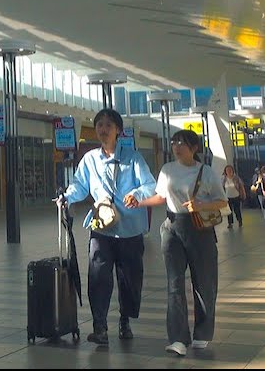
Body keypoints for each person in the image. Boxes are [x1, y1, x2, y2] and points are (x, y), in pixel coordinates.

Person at [57, 108, 155, 345]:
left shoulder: (133, 158)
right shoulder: (90, 159)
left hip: (130, 229)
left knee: (130, 279)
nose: (103, 129)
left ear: (118, 130)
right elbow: (79, 186)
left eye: (108, 125)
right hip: (101, 228)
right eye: (99, 125)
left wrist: (137, 193)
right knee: (98, 276)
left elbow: (150, 184)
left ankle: (125, 320)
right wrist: (66, 198)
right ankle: (99, 325)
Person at [128, 129, 226, 357]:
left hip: (200, 230)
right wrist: (140, 202)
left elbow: (222, 201)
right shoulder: (167, 170)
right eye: (174, 142)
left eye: (182, 142)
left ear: (194, 148)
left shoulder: (207, 172)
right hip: (172, 228)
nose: (176, 146)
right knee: (174, 285)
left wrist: (200, 206)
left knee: (204, 283)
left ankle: (202, 332)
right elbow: (161, 197)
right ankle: (178, 338)